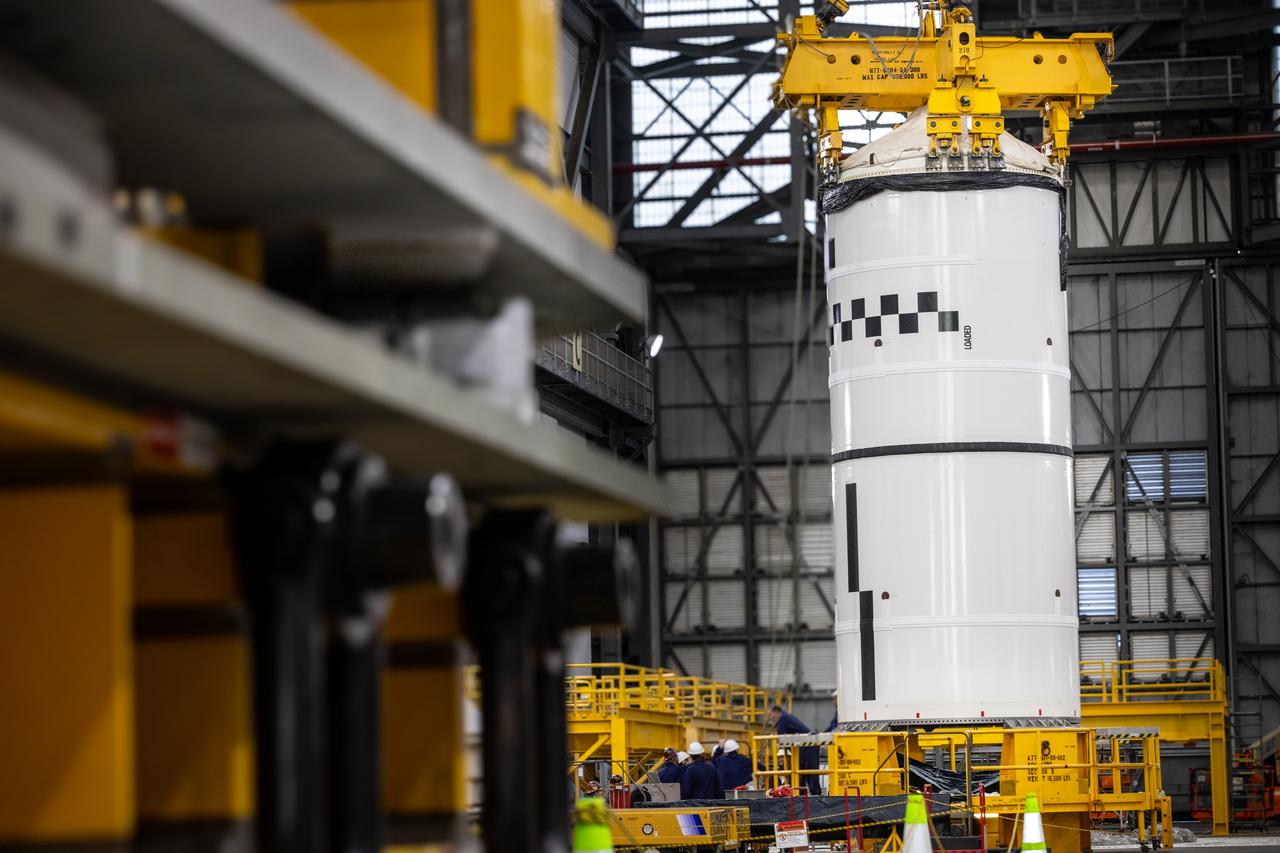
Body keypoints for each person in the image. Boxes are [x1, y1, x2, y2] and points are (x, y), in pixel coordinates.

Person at [767, 705, 821, 795]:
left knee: (807, 772)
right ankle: (804, 793)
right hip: (806, 745)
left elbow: (781, 738)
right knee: (803, 773)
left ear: (776, 711)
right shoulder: (787, 717)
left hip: (806, 747)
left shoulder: (782, 719)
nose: (770, 718)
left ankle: (811, 793)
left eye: (770, 715)